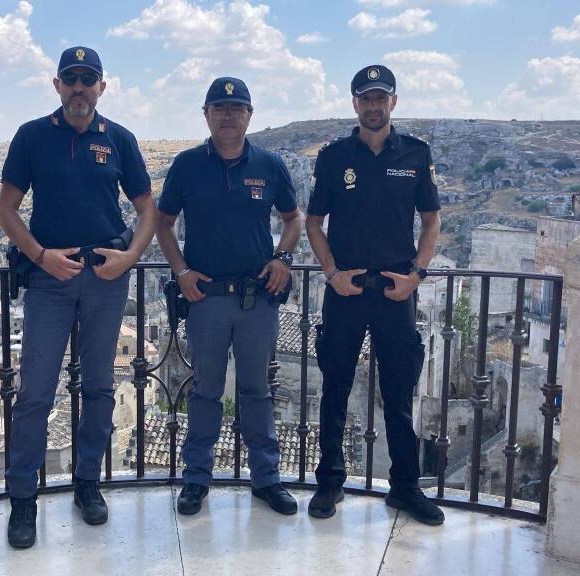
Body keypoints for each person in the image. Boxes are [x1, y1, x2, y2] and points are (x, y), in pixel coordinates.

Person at [0, 46, 156, 549]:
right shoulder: (32, 136)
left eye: (89, 79)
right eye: (72, 79)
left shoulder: (120, 140)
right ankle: (24, 495)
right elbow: (6, 210)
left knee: (101, 388)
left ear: (102, 87)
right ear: (58, 85)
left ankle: (88, 483)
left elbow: (148, 210)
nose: (80, 87)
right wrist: (41, 256)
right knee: (36, 391)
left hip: (106, 279)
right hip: (50, 279)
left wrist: (128, 259)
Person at [157, 77, 304, 516]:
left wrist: (283, 258)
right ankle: (196, 480)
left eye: (236, 107)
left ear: (250, 115)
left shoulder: (270, 164)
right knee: (205, 391)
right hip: (206, 298)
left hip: (257, 298)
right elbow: (164, 224)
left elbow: (293, 220)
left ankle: (267, 479)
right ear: (206, 114)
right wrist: (180, 271)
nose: (227, 114)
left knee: (257, 390)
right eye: (219, 107)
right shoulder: (186, 165)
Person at [304, 65, 444, 525]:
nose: (373, 105)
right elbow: (312, 222)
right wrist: (330, 274)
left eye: (381, 97)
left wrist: (417, 276)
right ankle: (330, 483)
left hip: (395, 291)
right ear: (355, 104)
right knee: (335, 388)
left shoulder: (416, 155)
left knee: (399, 392)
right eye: (366, 98)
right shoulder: (334, 156)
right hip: (345, 291)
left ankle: (405, 487)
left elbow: (431, 220)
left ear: (393, 103)